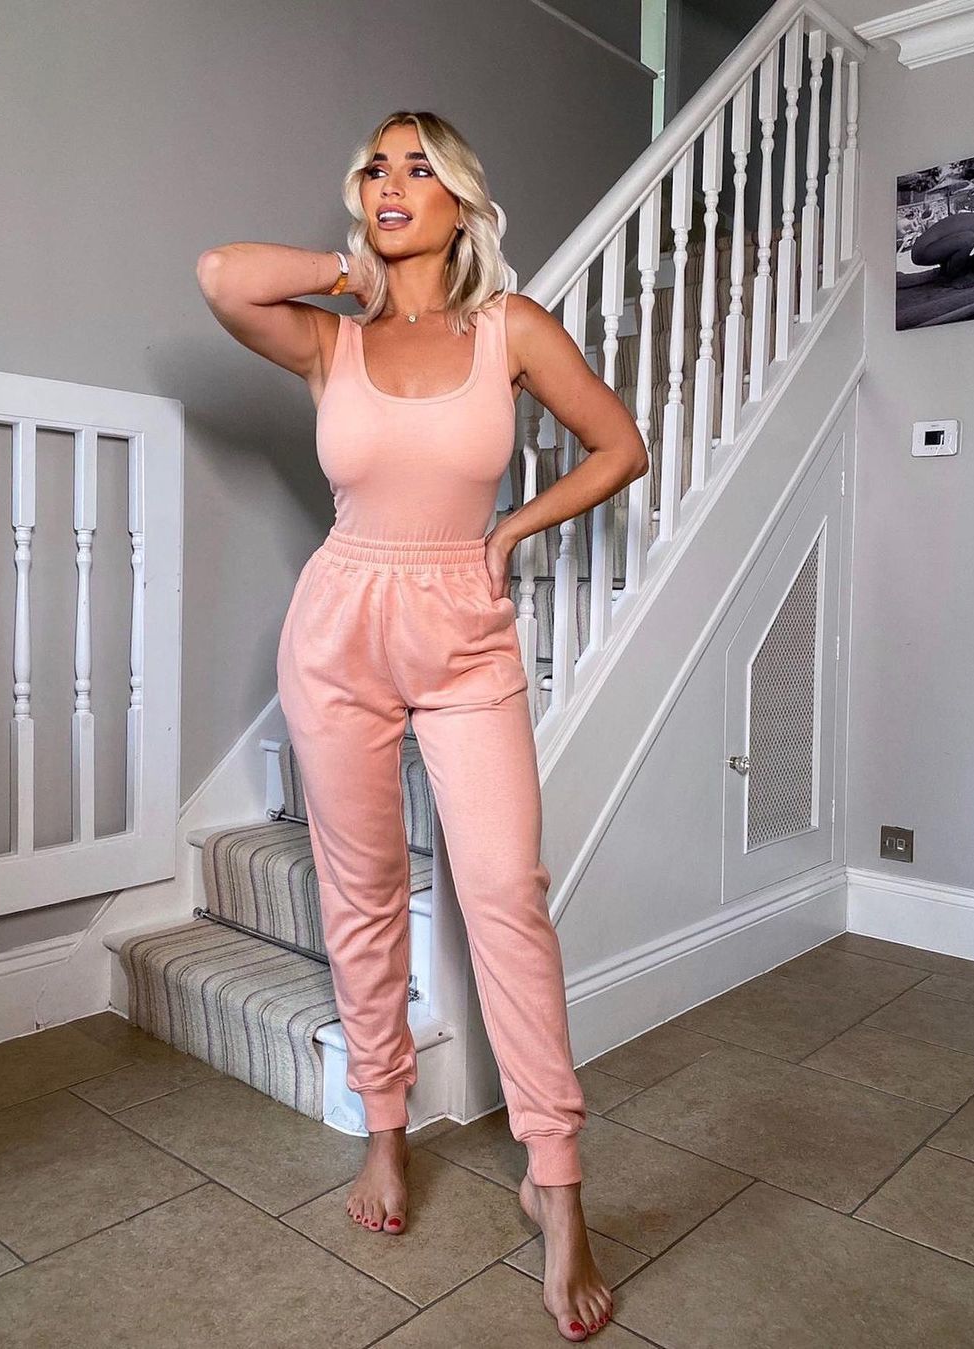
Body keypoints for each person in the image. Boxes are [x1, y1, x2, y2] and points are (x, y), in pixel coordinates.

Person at [196, 109, 649, 1342]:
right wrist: (347, 269)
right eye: (377, 168)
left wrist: (511, 529)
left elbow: (621, 445)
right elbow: (222, 275)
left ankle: (557, 1183)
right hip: (337, 626)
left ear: (461, 201)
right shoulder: (329, 337)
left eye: (419, 167)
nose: (393, 183)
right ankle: (386, 1130)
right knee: (362, 887)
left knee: (506, 895)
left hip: (465, 630)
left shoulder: (510, 328)